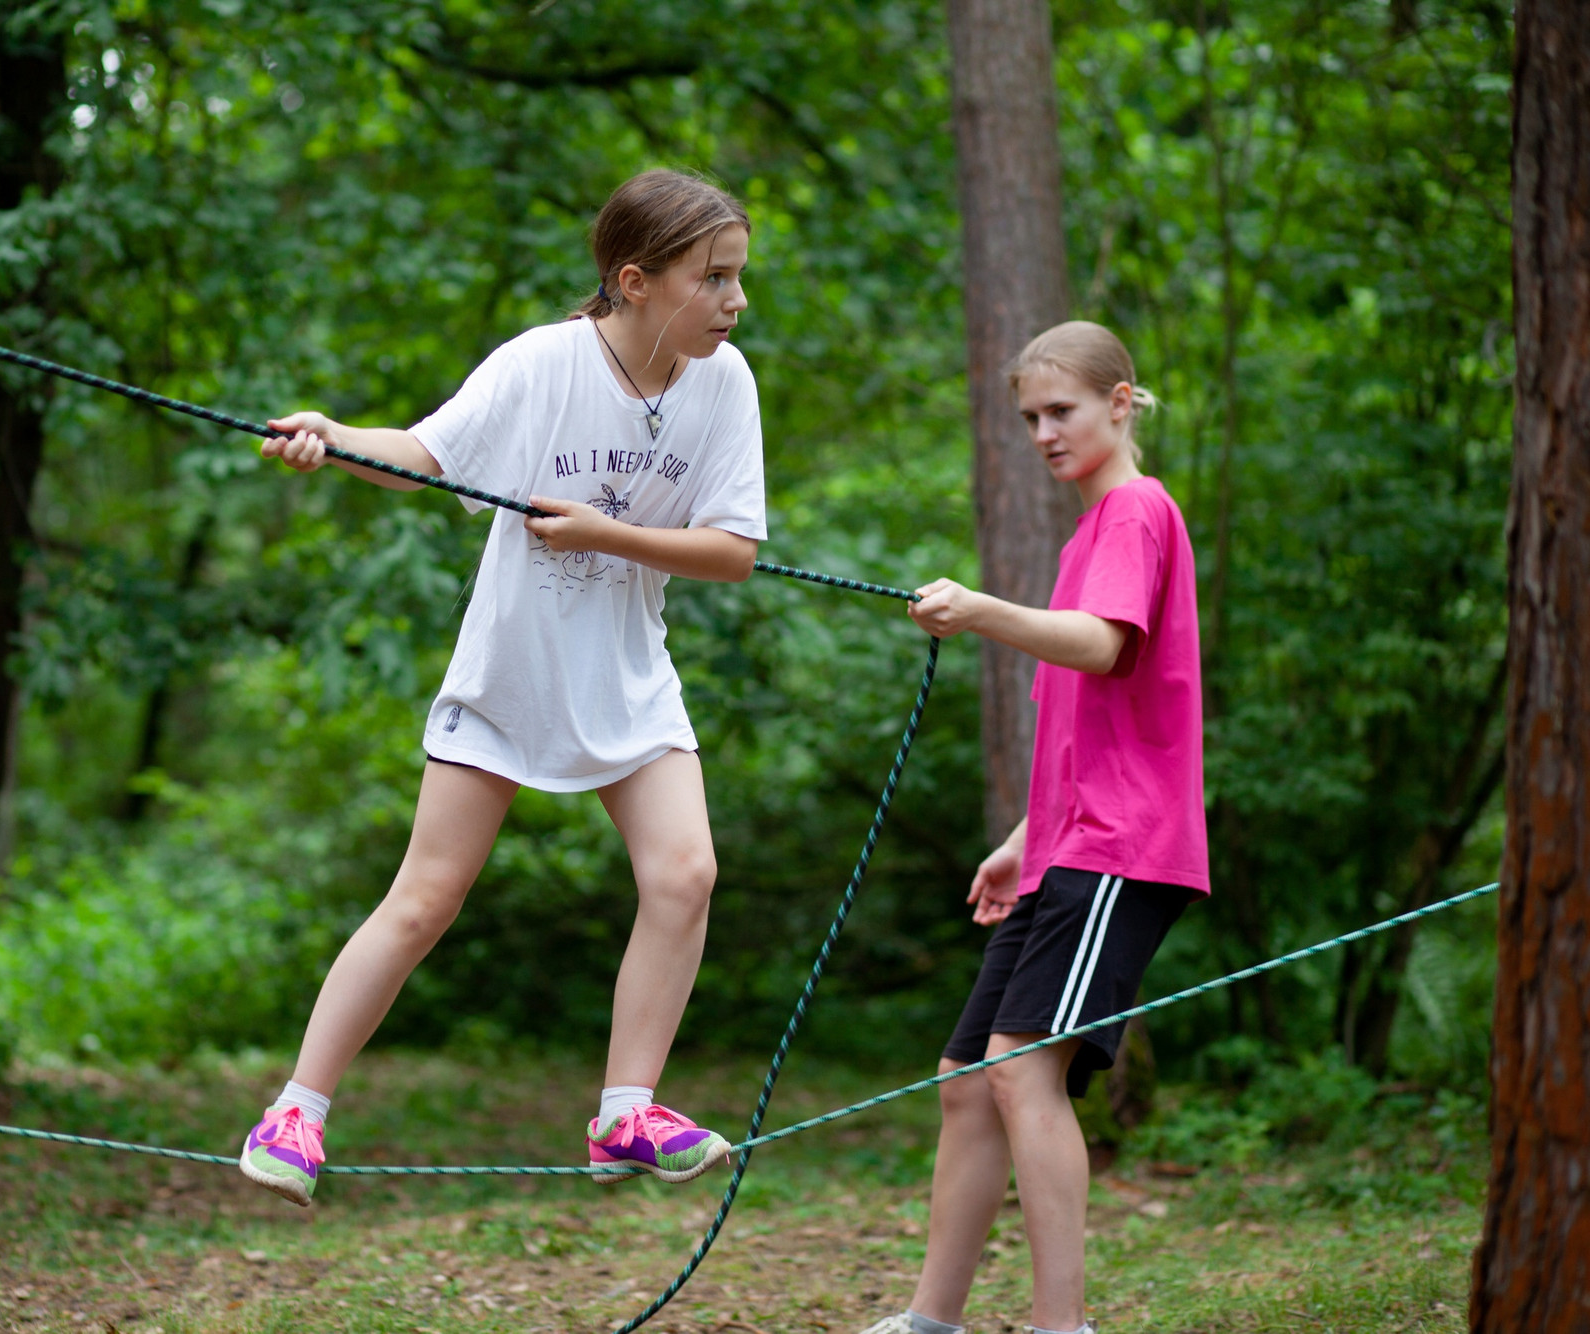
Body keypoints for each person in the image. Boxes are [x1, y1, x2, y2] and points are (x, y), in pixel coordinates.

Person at [237, 169, 767, 1207]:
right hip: (511, 673)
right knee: (425, 899)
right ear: (633, 281)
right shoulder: (541, 364)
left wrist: (602, 530)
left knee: (684, 874)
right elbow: (422, 457)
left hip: (626, 676)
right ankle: (295, 1109)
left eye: (736, 278)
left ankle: (626, 1111)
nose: (734, 301)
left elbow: (734, 549)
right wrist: (333, 438)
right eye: (714, 279)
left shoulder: (724, 380)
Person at [860, 322, 1207, 1334]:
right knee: (968, 1079)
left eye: (1060, 410)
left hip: (1123, 845)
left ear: (1120, 400)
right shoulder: (1087, 532)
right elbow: (1091, 719)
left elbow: (1101, 648)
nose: (1043, 432)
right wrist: (1025, 830)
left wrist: (975, 607)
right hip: (1069, 840)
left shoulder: (1135, 510)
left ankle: (1062, 1325)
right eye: (1028, 418)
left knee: (1019, 1067)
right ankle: (932, 1318)